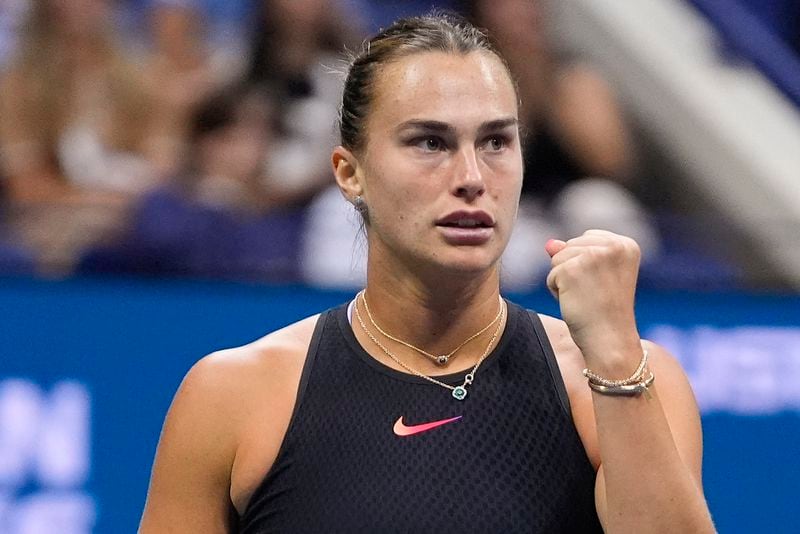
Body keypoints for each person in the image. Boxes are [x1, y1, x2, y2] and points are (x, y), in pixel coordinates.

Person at [139, 13, 715, 533]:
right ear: (349, 172)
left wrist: (613, 354)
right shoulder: (233, 395)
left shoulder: (625, 380)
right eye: (430, 142)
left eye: (496, 141)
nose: (471, 176)